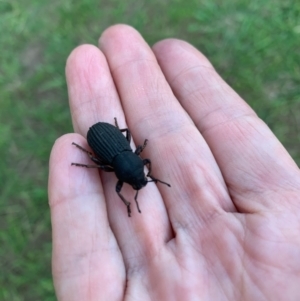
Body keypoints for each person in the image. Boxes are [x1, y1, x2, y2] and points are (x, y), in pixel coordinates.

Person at [48, 24, 300, 300]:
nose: (139, 180)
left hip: (114, 143)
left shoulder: (133, 162)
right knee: (99, 164)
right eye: (139, 178)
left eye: (139, 178)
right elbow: (119, 166)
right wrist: (97, 168)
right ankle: (88, 161)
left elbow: (136, 165)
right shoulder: (120, 165)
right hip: (106, 139)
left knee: (115, 157)